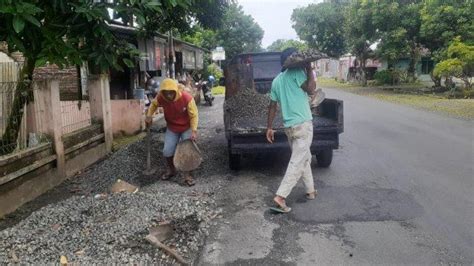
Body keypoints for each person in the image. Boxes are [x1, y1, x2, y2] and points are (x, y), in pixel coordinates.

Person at [266, 48, 317, 213]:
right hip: (302, 124)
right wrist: (309, 69)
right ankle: (280, 197)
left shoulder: (276, 81)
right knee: (297, 162)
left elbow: (272, 106)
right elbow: (310, 89)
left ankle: (310, 191)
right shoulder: (297, 72)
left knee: (304, 157)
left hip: (289, 127)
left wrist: (269, 127)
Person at [145, 78, 199, 186]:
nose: (169, 96)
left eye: (171, 93)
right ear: (162, 93)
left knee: (186, 151)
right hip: (172, 128)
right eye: (166, 93)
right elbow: (154, 104)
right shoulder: (161, 97)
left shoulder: (186, 98)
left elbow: (194, 115)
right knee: (167, 151)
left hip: (186, 127)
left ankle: (187, 175)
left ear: (175, 90)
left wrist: (193, 131)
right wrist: (149, 116)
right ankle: (172, 170)